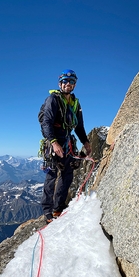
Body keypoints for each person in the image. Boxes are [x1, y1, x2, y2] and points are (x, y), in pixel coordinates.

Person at [39, 69, 92, 224]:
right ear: (60, 83)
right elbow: (46, 122)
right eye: (65, 81)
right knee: (52, 175)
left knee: (67, 173)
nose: (68, 84)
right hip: (54, 141)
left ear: (75, 84)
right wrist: (54, 142)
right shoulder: (53, 99)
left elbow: (79, 127)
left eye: (71, 82)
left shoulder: (75, 103)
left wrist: (86, 142)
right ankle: (48, 212)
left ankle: (58, 208)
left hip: (67, 141)